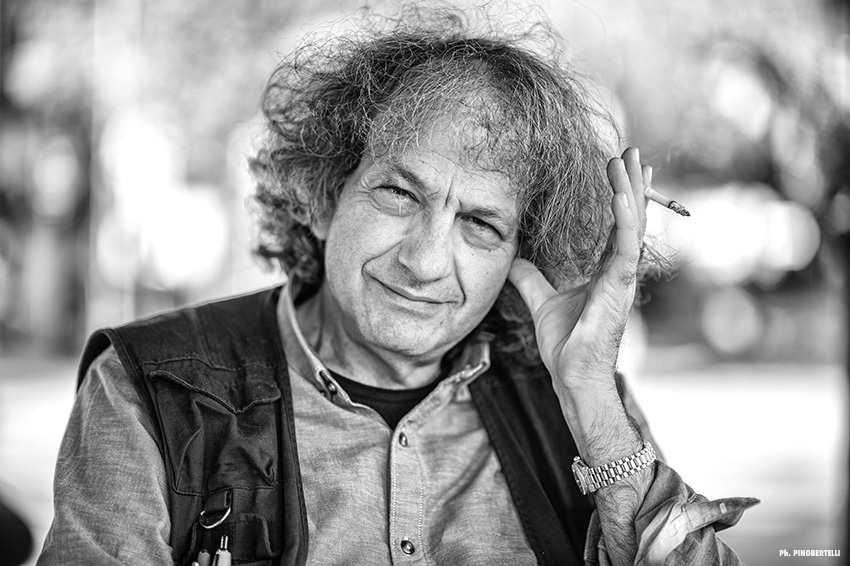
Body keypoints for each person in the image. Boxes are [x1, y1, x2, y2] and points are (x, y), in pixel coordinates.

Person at [38, 7, 756, 566]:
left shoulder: (578, 401)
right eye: (399, 194)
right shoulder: (151, 389)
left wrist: (592, 399)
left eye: (480, 223)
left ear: (519, 256)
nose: (425, 261)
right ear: (323, 197)